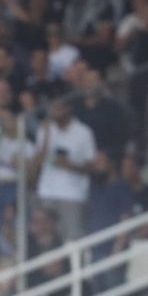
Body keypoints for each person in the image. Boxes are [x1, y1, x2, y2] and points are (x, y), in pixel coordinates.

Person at [34, 98, 97, 240]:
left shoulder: (83, 132)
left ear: (67, 109)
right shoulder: (45, 129)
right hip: (47, 192)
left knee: (72, 237)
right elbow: (38, 161)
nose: (54, 112)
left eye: (57, 108)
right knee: (47, 238)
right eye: (52, 108)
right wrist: (46, 134)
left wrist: (68, 165)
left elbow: (92, 165)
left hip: (73, 195)